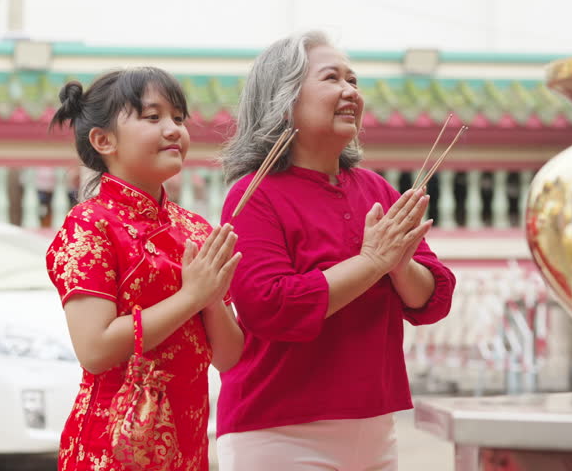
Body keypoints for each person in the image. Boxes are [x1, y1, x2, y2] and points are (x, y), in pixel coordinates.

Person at [217, 31, 457, 470]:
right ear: (285, 98)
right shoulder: (254, 195)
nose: (350, 91)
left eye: (354, 80)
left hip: (374, 425)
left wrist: (401, 268)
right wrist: (371, 263)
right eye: (332, 78)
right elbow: (269, 306)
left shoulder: (376, 189)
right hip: (279, 430)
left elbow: (434, 298)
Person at [45, 67, 243, 470]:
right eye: (153, 117)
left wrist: (208, 300)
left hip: (187, 449)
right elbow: (96, 349)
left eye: (178, 118)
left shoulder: (196, 229)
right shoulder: (90, 224)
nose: (173, 129)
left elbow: (228, 356)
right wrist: (192, 296)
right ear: (103, 141)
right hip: (110, 449)